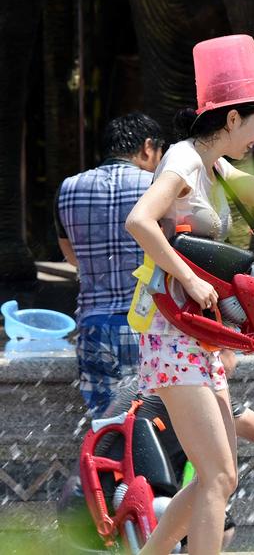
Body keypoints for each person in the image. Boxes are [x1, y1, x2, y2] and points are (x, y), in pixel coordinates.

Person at [124, 34, 254, 555]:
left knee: (218, 478)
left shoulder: (216, 167)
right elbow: (140, 220)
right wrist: (190, 276)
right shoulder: (183, 159)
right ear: (230, 120)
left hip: (198, 336)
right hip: (172, 332)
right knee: (218, 474)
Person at [59, 349, 254, 551]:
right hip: (109, 511)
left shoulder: (165, 373)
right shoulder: (188, 379)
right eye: (233, 350)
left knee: (218, 516)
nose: (237, 362)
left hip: (85, 508)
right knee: (214, 511)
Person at [56, 112, 167, 417]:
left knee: (108, 426)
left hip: (95, 326)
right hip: (151, 324)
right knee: (159, 424)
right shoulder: (159, 186)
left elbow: (72, 256)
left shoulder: (67, 189)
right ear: (148, 147)